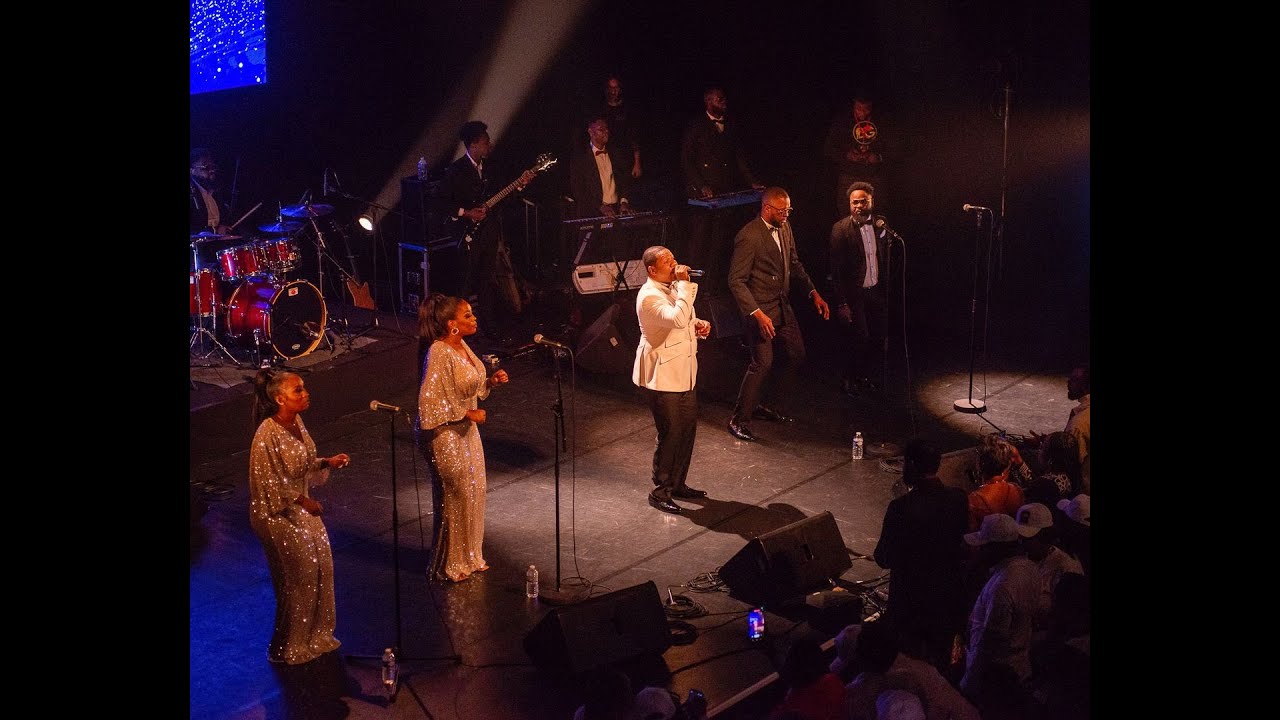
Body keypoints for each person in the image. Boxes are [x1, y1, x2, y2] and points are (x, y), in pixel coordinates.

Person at [248, 368, 351, 665]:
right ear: (280, 398)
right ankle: (289, 644)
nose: (305, 394)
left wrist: (326, 462)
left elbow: (301, 466)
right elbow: (266, 484)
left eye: (304, 388)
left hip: (300, 505)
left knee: (323, 568)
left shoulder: (297, 423)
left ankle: (316, 635)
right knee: (299, 576)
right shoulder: (266, 434)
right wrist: (302, 499)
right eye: (298, 391)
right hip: (276, 513)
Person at [417, 293, 510, 582]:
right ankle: (449, 563)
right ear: (451, 324)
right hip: (444, 433)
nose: (474, 319)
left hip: (465, 430)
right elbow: (429, 402)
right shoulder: (439, 351)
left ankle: (470, 556)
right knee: (454, 495)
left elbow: (464, 387)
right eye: (467, 315)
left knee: (475, 489)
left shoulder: (462, 347)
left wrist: (489, 382)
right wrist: (467, 414)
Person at [726, 187, 830, 442]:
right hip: (759, 310)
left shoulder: (785, 228)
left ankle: (764, 404)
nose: (786, 215)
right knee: (762, 362)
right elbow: (735, 281)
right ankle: (738, 420)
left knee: (796, 354)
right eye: (782, 210)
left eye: (788, 210)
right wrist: (757, 314)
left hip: (781, 305)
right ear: (767, 208)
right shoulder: (749, 236)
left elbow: (794, 263)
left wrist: (812, 292)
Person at [872, 437, 970, 673]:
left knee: (907, 669)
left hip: (910, 607)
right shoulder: (958, 499)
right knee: (940, 669)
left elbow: (883, 557)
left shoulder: (901, 508)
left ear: (912, 465)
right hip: (946, 602)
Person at [436, 120, 536, 339]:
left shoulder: (490, 168)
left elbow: (501, 198)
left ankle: (489, 328)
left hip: (489, 232)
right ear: (473, 145)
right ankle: (454, 329)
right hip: (468, 234)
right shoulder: (456, 170)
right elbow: (441, 202)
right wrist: (466, 212)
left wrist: (520, 184)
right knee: (465, 283)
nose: (489, 145)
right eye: (485, 142)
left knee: (486, 280)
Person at [633, 245, 712, 514]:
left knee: (688, 429)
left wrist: (697, 324)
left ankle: (678, 483)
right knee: (671, 432)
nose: (675, 264)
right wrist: (685, 287)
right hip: (661, 375)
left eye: (674, 258)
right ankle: (660, 490)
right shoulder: (648, 296)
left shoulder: (672, 288)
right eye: (668, 262)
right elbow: (676, 318)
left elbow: (682, 319)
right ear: (652, 270)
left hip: (684, 372)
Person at [680, 86, 765, 292]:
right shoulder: (697, 126)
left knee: (720, 239)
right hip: (702, 194)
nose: (723, 101)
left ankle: (713, 284)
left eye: (724, 98)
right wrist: (701, 186)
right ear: (708, 101)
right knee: (700, 240)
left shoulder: (731, 126)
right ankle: (691, 284)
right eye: (719, 99)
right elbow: (687, 161)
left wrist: (751, 182)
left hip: (724, 190)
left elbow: (738, 158)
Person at [959, 513, 1040, 701]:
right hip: (1020, 665)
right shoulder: (1030, 568)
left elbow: (991, 643)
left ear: (994, 548)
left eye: (984, 546)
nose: (979, 551)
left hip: (995, 680)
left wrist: (969, 683)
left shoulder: (1002, 586)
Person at [829, 181, 891, 396]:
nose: (858, 206)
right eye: (854, 202)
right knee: (858, 338)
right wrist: (842, 303)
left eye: (862, 201)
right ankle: (849, 378)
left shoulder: (880, 225)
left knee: (878, 336)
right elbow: (835, 270)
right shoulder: (840, 229)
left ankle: (865, 377)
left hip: (875, 290)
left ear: (871, 201)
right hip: (854, 294)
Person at [823, 95, 891, 218]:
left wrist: (878, 157)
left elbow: (896, 149)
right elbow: (829, 148)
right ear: (854, 105)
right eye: (859, 109)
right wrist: (846, 155)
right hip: (849, 176)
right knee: (847, 213)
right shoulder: (843, 121)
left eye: (866, 109)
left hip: (874, 176)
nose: (862, 113)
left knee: (877, 213)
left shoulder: (882, 121)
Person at [569, 116, 634, 218]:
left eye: (607, 129)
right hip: (592, 213)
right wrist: (600, 206)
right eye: (601, 129)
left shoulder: (615, 154)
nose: (606, 132)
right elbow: (578, 188)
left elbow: (623, 179)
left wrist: (624, 201)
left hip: (615, 210)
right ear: (591, 132)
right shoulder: (581, 158)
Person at [601, 74, 643, 182]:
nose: (613, 91)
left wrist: (637, 162)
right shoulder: (602, 109)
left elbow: (634, 137)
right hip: (607, 156)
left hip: (625, 156)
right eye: (611, 88)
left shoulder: (627, 109)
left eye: (616, 88)